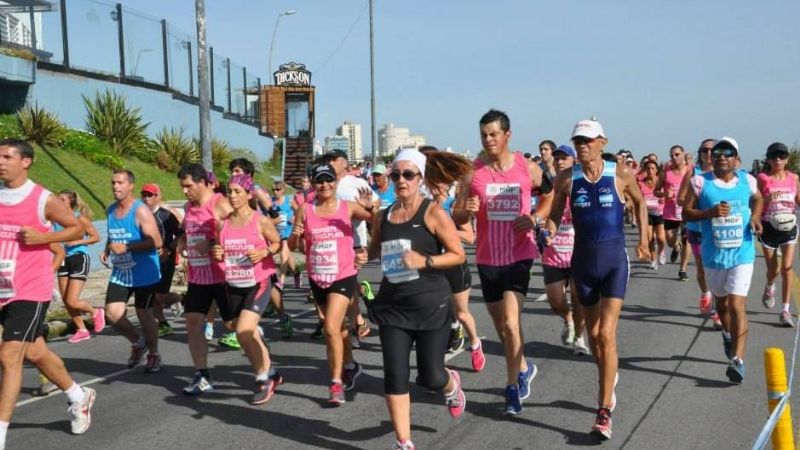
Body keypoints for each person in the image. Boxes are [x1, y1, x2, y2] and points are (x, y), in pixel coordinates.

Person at [548, 119, 650, 440]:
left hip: (613, 261)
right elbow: (553, 218)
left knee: (606, 333)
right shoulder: (566, 179)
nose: (582, 145)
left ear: (602, 142)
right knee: (593, 335)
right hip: (582, 263)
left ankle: (603, 411)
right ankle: (608, 375)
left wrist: (644, 240)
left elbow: (642, 203)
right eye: (578, 140)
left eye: (588, 140)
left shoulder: (619, 174)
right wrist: (543, 233)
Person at [367, 149, 468, 450]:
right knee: (395, 376)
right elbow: (375, 249)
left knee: (431, 377)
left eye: (408, 175)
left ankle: (451, 386)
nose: (401, 180)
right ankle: (404, 442)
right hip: (393, 307)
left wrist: (424, 261)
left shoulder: (433, 213)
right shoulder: (382, 216)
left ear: (420, 178)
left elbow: (458, 255)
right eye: (395, 175)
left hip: (431, 306)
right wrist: (361, 254)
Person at [0, 139, 96, 447]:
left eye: (7, 157)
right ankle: (79, 396)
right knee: (35, 351)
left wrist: (43, 236)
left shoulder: (42, 198)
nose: (1, 162)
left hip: (31, 287)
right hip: (3, 286)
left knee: (9, 355)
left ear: (26, 161)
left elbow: (78, 230)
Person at [453, 109, 546, 415]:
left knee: (510, 321)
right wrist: (467, 208)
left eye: (493, 134)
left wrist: (534, 218)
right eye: (483, 134)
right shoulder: (473, 172)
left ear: (508, 135)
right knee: (503, 329)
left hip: (519, 255)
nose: (488, 139)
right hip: (488, 257)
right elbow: (458, 216)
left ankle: (511, 387)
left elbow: (550, 196)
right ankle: (523, 368)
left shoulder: (527, 167)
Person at [288, 163, 374, 405]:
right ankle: (350, 365)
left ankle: (336, 383)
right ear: (313, 184)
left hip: (343, 275)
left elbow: (377, 221)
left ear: (336, 182)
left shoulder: (347, 207)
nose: (325, 185)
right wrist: (295, 232)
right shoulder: (305, 210)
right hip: (318, 277)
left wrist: (366, 248)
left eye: (329, 180)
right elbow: (294, 245)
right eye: (320, 181)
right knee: (339, 330)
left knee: (330, 328)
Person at [683, 137, 762, 383]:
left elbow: (758, 198)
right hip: (713, 255)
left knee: (737, 305)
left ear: (737, 158)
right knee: (722, 303)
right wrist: (709, 213)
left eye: (728, 153)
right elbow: (685, 211)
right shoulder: (699, 182)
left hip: (743, 253)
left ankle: (737, 360)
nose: (721, 157)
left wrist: (755, 218)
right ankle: (727, 334)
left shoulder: (747, 180)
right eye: (717, 153)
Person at [211, 174, 284, 404]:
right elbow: (219, 248)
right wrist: (217, 253)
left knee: (243, 331)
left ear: (249, 194)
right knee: (238, 329)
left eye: (237, 192)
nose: (232, 196)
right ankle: (271, 372)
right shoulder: (222, 223)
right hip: (233, 284)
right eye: (229, 191)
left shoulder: (259, 221)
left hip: (258, 282)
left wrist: (264, 252)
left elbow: (278, 243)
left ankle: (263, 379)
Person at [420, 146, 485, 370]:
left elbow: (470, 236)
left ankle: (475, 343)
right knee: (432, 313)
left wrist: (444, 229)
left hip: (455, 266)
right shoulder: (422, 207)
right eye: (431, 181)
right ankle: (435, 364)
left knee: (462, 313)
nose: (436, 185)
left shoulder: (453, 205)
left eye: (439, 181)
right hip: (431, 268)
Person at [177, 163, 234, 395]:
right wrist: (181, 241)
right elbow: (185, 230)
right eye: (182, 186)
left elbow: (239, 233)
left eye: (188, 186)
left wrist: (211, 243)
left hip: (222, 276)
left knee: (235, 326)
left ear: (202, 182)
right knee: (192, 322)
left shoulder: (220, 204)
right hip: (199, 277)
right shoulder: (188, 207)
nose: (185, 191)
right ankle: (202, 374)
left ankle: (266, 369)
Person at [101, 169, 163, 373]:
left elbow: (156, 242)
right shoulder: (111, 210)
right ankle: (138, 342)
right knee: (112, 313)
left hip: (145, 272)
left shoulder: (140, 211)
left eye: (120, 183)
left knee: (144, 314)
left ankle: (154, 354)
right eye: (112, 183)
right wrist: (107, 249)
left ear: (130, 186)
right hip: (121, 271)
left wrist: (127, 247)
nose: (115, 186)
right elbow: (113, 235)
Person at [323, 149, 379, 348]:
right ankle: (355, 316)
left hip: (353, 240)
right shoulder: (325, 182)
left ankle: (357, 322)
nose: (329, 162)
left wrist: (359, 210)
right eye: (327, 159)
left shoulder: (357, 183)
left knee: (347, 281)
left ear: (345, 163)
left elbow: (375, 205)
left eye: (333, 159)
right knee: (338, 283)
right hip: (329, 242)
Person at [539, 145, 589, 355]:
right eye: (557, 158)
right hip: (553, 252)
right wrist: (540, 224)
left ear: (573, 161)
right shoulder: (547, 185)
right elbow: (538, 211)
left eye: (564, 158)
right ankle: (568, 319)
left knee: (579, 299)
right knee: (556, 301)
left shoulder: (582, 184)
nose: (560, 162)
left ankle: (579, 338)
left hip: (578, 252)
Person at [756, 142, 799, 327]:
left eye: (781, 156)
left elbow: (798, 200)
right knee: (773, 269)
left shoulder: (794, 178)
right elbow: (756, 202)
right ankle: (769, 285)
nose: (778, 160)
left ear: (787, 159)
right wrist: (766, 199)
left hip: (789, 227)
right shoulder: (763, 178)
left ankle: (785, 310)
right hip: (769, 227)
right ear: (769, 160)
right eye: (774, 157)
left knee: (787, 268)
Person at [679, 139, 720, 327]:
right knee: (702, 268)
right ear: (700, 152)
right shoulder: (692, 173)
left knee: (719, 269)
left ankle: (718, 310)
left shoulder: (723, 174)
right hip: (696, 227)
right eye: (705, 150)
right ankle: (705, 293)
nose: (709, 153)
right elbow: (681, 199)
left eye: (713, 150)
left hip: (719, 228)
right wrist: (699, 205)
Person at [54, 190, 104, 343]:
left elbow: (96, 237)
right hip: (63, 259)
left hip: (78, 258)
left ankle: (95, 311)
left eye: (62, 199)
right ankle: (81, 329)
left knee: (72, 300)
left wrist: (78, 242)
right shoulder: (55, 219)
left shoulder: (79, 218)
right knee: (65, 299)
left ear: (70, 202)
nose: (58, 201)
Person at [140, 183, 184, 337]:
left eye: (149, 195)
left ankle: (181, 298)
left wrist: (169, 249)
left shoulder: (166, 215)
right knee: (151, 295)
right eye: (144, 195)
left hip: (165, 260)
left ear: (158, 197)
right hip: (146, 260)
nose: (146, 198)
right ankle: (163, 323)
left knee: (159, 296)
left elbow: (180, 234)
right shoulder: (138, 215)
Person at [656, 145, 691, 280]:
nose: (674, 157)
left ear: (683, 154)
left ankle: (683, 270)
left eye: (677, 154)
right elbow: (656, 191)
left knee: (687, 239)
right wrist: (664, 193)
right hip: (670, 212)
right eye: (672, 155)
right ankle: (676, 246)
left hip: (687, 211)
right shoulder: (666, 173)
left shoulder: (691, 171)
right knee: (669, 240)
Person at [268, 180, 297, 339]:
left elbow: (299, 213)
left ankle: (282, 280)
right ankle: (296, 272)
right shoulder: (270, 203)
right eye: (274, 189)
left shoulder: (288, 201)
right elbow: (267, 218)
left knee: (284, 253)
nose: (276, 192)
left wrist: (294, 219)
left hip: (286, 233)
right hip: (274, 235)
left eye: (278, 189)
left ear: (284, 190)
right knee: (284, 257)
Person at [638, 161, 666, 270]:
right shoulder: (641, 183)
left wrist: (663, 198)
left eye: (652, 168)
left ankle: (662, 251)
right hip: (647, 214)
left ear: (656, 170)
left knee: (661, 238)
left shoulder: (661, 182)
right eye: (648, 168)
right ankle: (653, 260)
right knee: (650, 238)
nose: (650, 170)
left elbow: (667, 195)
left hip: (659, 213)